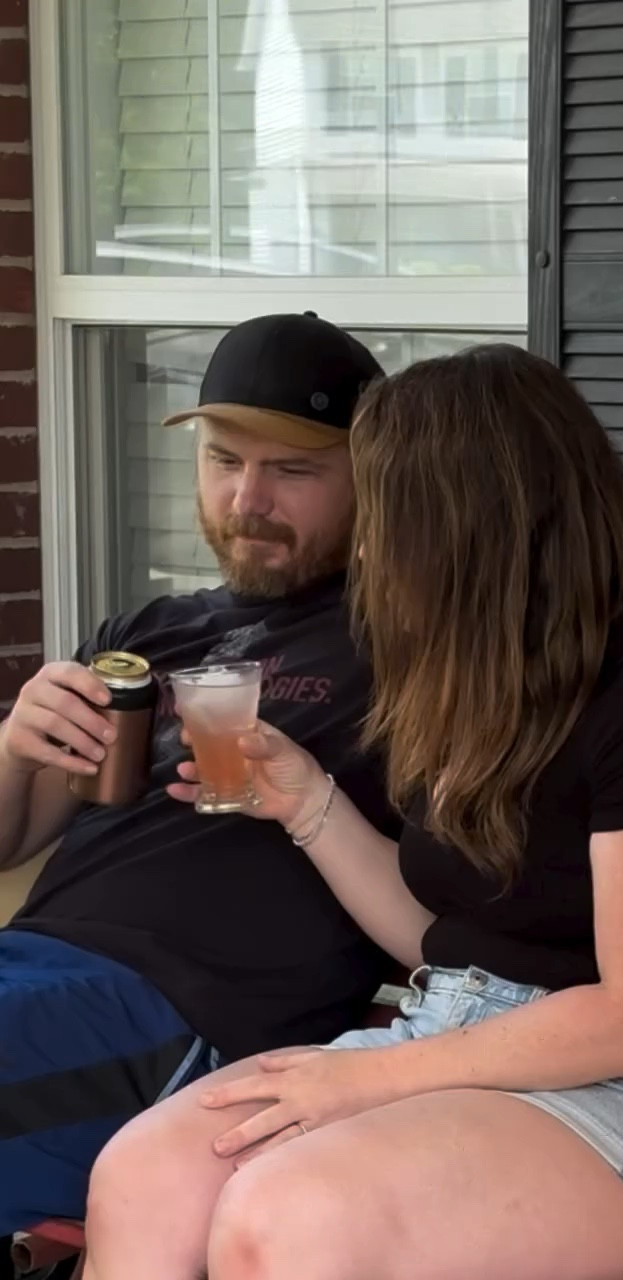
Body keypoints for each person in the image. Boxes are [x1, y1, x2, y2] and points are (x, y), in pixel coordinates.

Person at [84, 344, 623, 1280]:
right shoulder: (461, 681)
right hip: (452, 1030)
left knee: (293, 1216)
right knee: (146, 1173)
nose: (369, 545)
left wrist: (367, 1073)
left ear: (462, 521)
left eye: (384, 510)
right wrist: (307, 804)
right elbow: (441, 944)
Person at [0, 312, 399, 1235]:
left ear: (372, 480)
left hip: (188, 1019)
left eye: (291, 471)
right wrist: (19, 741)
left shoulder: (411, 653)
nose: (247, 498)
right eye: (224, 461)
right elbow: (13, 838)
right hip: (34, 968)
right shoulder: (147, 636)